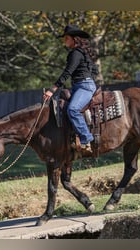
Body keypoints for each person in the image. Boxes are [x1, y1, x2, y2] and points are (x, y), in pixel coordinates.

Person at [43, 24, 98, 154]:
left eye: (66, 38)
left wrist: (52, 89)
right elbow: (94, 70)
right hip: (80, 86)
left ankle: (86, 139)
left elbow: (67, 72)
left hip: (84, 86)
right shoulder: (82, 53)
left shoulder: (76, 53)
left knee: (72, 109)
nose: (64, 41)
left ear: (74, 39)